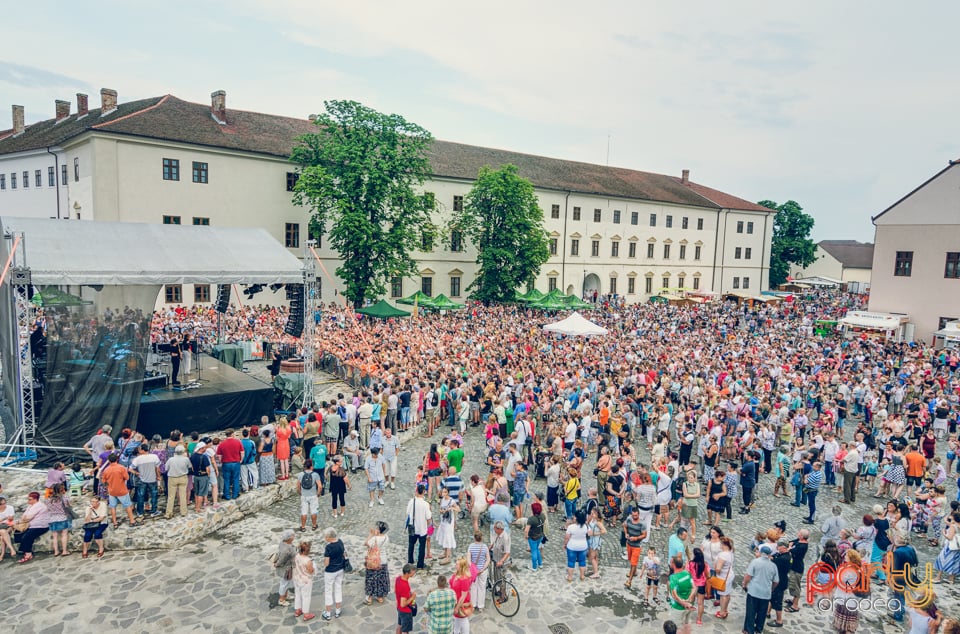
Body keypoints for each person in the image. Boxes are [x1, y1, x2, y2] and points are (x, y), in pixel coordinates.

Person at [742, 545, 779, 634]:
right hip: (765, 593)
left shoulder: (755, 562)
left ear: (761, 553)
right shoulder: (773, 566)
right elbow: (776, 581)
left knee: (751, 611)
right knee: (762, 612)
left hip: (754, 591)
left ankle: (748, 630)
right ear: (769, 554)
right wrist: (772, 589)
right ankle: (759, 629)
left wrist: (744, 584)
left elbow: (748, 576)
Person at [101, 453, 137, 528]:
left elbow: (104, 481)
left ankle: (115, 523)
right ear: (117, 459)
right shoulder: (121, 468)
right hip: (122, 490)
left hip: (112, 491)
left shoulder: (106, 470)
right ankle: (132, 521)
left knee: (113, 507)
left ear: (109, 461)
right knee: (127, 506)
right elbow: (127, 478)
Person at [321, 527, 347, 621]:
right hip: (340, 569)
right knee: (338, 588)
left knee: (328, 591)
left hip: (330, 571)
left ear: (329, 537)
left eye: (325, 536)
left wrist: (324, 564)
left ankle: (328, 613)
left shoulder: (328, 547)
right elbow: (344, 554)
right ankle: (337, 610)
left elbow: (326, 563)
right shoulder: (340, 542)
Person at [15, 491, 48, 563]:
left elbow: (27, 518)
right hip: (32, 525)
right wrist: (25, 518)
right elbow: (24, 516)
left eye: (30, 499)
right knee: (20, 534)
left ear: (35, 499)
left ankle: (28, 553)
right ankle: (24, 551)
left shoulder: (39, 506)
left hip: (41, 526)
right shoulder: (31, 506)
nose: (28, 501)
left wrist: (25, 518)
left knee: (27, 536)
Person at [668, 554, 696, 634]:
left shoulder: (673, 578)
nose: (670, 564)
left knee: (675, 627)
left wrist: (684, 603)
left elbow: (675, 596)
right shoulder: (687, 573)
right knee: (687, 623)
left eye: (671, 563)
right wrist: (689, 599)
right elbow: (694, 587)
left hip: (678, 607)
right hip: (690, 604)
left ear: (674, 565)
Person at [407, 483, 433, 569]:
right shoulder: (426, 504)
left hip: (413, 527)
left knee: (411, 545)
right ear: (424, 492)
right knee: (422, 547)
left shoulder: (411, 501)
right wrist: (429, 525)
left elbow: (408, 513)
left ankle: (410, 560)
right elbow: (429, 518)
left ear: (417, 491)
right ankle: (420, 564)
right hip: (422, 529)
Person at [131, 444, 161, 518]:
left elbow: (130, 468)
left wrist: (136, 473)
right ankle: (154, 511)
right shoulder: (154, 457)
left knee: (140, 496)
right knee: (154, 495)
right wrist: (158, 476)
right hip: (152, 479)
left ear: (142, 450)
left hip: (142, 479)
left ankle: (140, 512)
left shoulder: (138, 459)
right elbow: (157, 468)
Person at [767, 539, 792, 628]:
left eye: (779, 547)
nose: (777, 548)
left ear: (784, 548)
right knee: (772, 597)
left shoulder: (783, 558)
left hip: (779, 582)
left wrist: (770, 558)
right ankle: (768, 612)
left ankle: (779, 621)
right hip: (782, 580)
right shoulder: (786, 555)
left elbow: (773, 562)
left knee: (778, 602)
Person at [364, 521, 390, 605]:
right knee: (381, 578)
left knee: (372, 578)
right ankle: (380, 597)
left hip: (374, 561)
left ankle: (370, 597)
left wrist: (371, 535)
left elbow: (366, 544)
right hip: (383, 560)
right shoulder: (386, 537)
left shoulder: (374, 539)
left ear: (379, 530)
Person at [45, 483, 73, 556]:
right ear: (61, 489)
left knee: (55, 536)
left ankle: (56, 551)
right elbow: (68, 506)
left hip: (52, 518)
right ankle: (64, 551)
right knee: (64, 534)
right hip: (62, 517)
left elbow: (47, 509)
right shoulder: (64, 497)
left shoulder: (48, 499)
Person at [624, 506, 648, 588]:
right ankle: (634, 572)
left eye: (636, 516)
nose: (634, 517)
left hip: (637, 546)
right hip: (629, 544)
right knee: (631, 560)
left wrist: (636, 538)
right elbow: (624, 526)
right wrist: (626, 533)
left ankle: (629, 581)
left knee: (633, 563)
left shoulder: (642, 523)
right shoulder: (629, 519)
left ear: (639, 514)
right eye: (633, 515)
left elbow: (645, 535)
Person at [164, 444, 191, 518]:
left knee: (171, 496)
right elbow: (189, 467)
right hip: (183, 477)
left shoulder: (170, 459)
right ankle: (183, 512)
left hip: (172, 477)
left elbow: (166, 468)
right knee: (183, 495)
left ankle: (169, 513)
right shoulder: (186, 459)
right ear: (183, 452)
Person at [216, 428, 243, 500]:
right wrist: (241, 460)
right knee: (236, 479)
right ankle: (235, 494)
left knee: (226, 479)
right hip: (236, 462)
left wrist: (222, 461)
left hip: (226, 463)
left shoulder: (222, 444)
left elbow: (219, 455)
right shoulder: (238, 442)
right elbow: (242, 452)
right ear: (232, 434)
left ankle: (227, 495)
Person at [293, 540, 317, 621]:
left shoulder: (296, 556)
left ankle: (298, 610)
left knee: (297, 594)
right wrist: (314, 568)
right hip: (305, 581)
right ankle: (306, 614)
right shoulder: (308, 561)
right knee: (306, 596)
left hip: (296, 578)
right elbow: (311, 571)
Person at [450, 556, 474, 634]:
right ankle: (456, 631)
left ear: (462, 567)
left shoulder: (464, 579)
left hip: (461, 603)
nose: (455, 565)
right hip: (456, 600)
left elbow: (463, 596)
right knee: (457, 619)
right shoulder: (456, 574)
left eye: (457, 564)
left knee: (463, 619)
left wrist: (457, 607)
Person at [80, 495, 108, 559]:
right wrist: (90, 511)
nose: (93, 503)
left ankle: (101, 549)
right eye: (91, 501)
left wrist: (92, 520)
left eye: (94, 502)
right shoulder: (88, 508)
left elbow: (102, 517)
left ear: (98, 502)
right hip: (91, 524)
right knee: (87, 535)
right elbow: (86, 520)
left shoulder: (103, 505)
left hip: (101, 522)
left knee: (97, 533)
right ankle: (85, 551)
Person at [564, 510, 590, 582]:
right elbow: (589, 534)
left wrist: (565, 544)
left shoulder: (571, 527)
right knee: (582, 561)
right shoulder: (586, 526)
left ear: (576, 518)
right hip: (583, 546)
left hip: (572, 546)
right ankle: (582, 576)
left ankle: (570, 577)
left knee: (571, 562)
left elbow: (567, 537)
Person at [298, 460, 322, 532]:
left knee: (304, 511)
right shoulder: (315, 475)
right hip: (313, 495)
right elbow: (320, 486)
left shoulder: (301, 474)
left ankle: (303, 527)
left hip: (304, 495)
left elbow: (298, 485)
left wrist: (300, 493)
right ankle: (314, 525)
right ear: (311, 466)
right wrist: (318, 493)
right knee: (313, 511)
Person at [274, 529, 297, 606]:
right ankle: (281, 599)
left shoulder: (282, 543)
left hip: (288, 568)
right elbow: (282, 560)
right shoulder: (287, 549)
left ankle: (286, 596)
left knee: (286, 583)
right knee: (284, 584)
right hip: (286, 569)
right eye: (293, 536)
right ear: (289, 538)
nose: (294, 537)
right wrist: (277, 564)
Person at [491, 519, 512, 593]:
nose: (494, 530)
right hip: (496, 560)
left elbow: (507, 552)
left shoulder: (505, 538)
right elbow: (494, 543)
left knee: (502, 579)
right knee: (497, 578)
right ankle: (500, 591)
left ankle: (503, 596)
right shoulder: (498, 535)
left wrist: (501, 561)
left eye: (495, 528)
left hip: (502, 562)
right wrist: (489, 548)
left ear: (500, 529)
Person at [191, 442, 213, 514]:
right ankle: (198, 508)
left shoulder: (193, 456)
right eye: (204, 448)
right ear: (201, 448)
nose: (205, 449)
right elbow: (208, 469)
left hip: (196, 476)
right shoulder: (204, 457)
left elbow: (191, 467)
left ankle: (196, 506)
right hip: (203, 476)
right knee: (201, 493)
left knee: (196, 492)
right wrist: (208, 475)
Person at [395, 563, 417, 634]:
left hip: (399, 609)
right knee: (405, 631)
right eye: (412, 573)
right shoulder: (405, 586)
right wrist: (412, 597)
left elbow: (396, 591)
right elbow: (403, 604)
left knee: (399, 625)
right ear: (407, 573)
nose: (413, 574)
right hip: (406, 611)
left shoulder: (398, 579)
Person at [524, 501, 546, 571]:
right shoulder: (543, 515)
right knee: (537, 549)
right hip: (540, 535)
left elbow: (526, 530)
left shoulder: (531, 519)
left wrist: (526, 536)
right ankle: (540, 564)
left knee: (533, 551)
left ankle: (534, 567)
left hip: (533, 537)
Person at [240, 428, 259, 492]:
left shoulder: (240, 442)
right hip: (250, 460)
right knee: (254, 473)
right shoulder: (251, 442)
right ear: (248, 434)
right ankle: (255, 486)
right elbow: (254, 452)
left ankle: (245, 488)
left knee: (244, 475)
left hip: (242, 461)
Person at [0, 496, 17, 561]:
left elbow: (11, 518)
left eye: (5, 503)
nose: (5, 505)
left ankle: (2, 554)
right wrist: (5, 518)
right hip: (2, 526)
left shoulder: (10, 508)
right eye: (2, 504)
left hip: (8, 525)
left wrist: (5, 519)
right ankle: (12, 549)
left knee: (2, 536)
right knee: (2, 531)